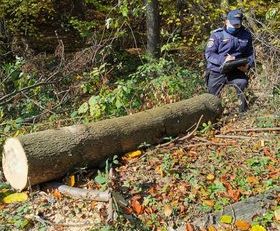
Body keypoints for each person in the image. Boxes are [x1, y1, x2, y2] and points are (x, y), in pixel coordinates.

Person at [205, 9, 255, 112]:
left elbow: (250, 53)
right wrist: (224, 59)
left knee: (242, 83)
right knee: (211, 98)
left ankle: (243, 113)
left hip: (236, 70)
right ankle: (213, 116)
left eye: (238, 24)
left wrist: (248, 65)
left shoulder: (246, 35)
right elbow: (209, 54)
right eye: (233, 24)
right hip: (217, 70)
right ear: (227, 21)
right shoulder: (217, 35)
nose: (236, 27)